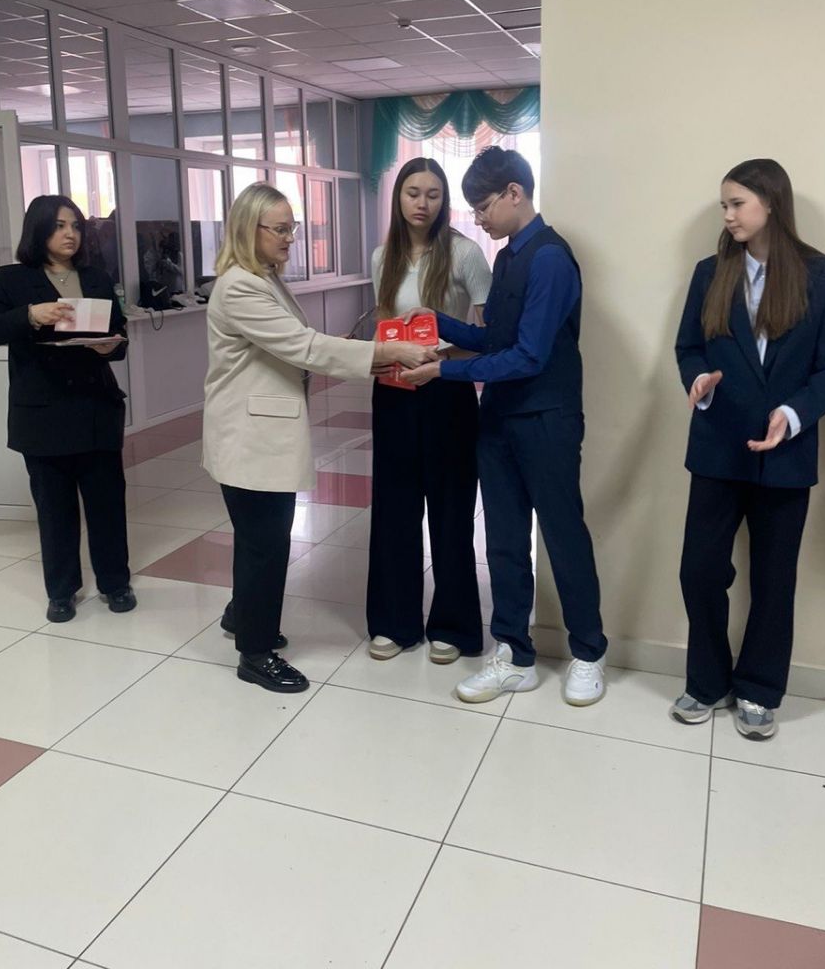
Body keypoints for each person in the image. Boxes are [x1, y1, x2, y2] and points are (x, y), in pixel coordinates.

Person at [203, 182, 439, 694]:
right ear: (249, 229)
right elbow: (302, 346)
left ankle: (243, 614)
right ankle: (255, 653)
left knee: (261, 537)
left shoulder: (264, 278)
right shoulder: (241, 287)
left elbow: (297, 345)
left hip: (260, 433)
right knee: (265, 543)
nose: (290, 237)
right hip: (249, 436)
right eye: (280, 229)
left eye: (292, 228)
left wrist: (355, 348)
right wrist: (384, 354)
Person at [401, 147, 608, 705]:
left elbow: (528, 356)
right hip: (498, 421)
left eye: (482, 206)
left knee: (562, 537)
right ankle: (514, 653)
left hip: (546, 420)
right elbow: (494, 339)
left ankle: (589, 652)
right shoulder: (508, 257)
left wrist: (443, 371)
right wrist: (438, 321)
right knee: (504, 541)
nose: (478, 218)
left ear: (515, 193)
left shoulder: (550, 258)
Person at [671, 159, 825, 740]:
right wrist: (697, 381)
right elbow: (689, 348)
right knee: (699, 571)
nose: (727, 215)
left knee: (774, 580)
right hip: (717, 447)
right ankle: (707, 681)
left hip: (786, 455)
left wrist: (792, 415)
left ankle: (758, 689)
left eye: (736, 203)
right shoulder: (710, 272)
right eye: (724, 205)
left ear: (771, 203)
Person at [0, 195, 135, 623]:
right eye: (60, 226)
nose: (70, 234)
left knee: (107, 505)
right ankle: (61, 591)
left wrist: (110, 346)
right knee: (55, 510)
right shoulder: (14, 280)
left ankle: (115, 583)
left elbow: (118, 336)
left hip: (95, 406)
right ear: (39, 230)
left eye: (76, 226)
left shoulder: (96, 278)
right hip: (44, 413)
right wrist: (29, 315)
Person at [366, 157, 492, 664]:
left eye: (433, 194)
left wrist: (440, 360)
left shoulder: (465, 254)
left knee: (450, 510)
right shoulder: (383, 257)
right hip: (393, 393)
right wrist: (384, 359)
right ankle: (394, 622)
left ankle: (454, 625)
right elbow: (384, 325)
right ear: (398, 197)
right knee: (394, 508)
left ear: (445, 201)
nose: (422, 203)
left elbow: (490, 337)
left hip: (447, 392)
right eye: (413, 192)